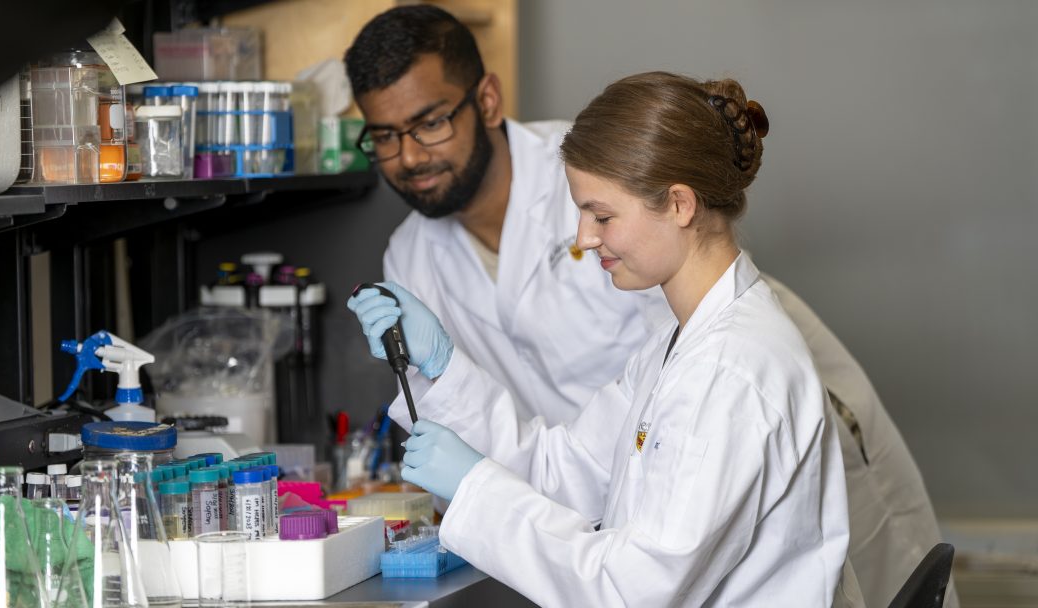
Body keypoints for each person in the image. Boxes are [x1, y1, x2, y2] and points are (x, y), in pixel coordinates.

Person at [345, 6, 955, 607]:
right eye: (386, 136)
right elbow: (571, 467)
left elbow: (634, 586)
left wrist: (477, 490)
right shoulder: (668, 353)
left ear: (681, 204)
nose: (582, 237)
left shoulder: (725, 368)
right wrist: (446, 373)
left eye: (601, 216)